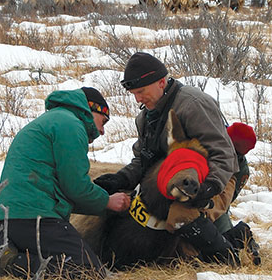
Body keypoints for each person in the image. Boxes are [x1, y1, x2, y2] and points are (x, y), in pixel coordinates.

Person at [94, 52, 258, 264]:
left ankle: (230, 256)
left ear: (161, 82)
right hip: (176, 181)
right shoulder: (145, 117)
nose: (138, 99)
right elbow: (143, 160)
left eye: (141, 91)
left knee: (181, 217)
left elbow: (223, 155)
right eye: (134, 94)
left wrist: (209, 188)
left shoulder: (192, 104)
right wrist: (121, 179)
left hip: (220, 177)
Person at [0, 87, 130, 279]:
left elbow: (65, 190)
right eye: (103, 121)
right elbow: (75, 187)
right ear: (91, 110)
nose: (102, 131)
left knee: (70, 261)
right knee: (88, 270)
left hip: (12, 217)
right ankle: (8, 264)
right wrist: (108, 201)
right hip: (35, 216)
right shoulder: (71, 125)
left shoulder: (54, 120)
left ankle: (9, 255)